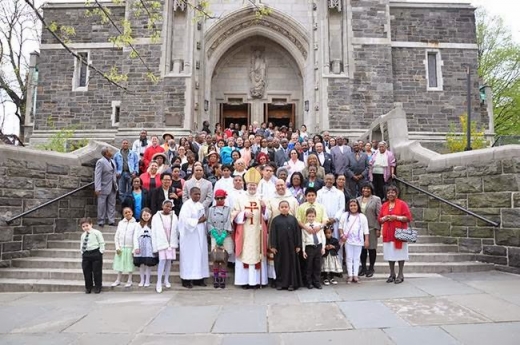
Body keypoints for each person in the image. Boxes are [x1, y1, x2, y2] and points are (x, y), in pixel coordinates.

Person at [232, 167, 269, 289]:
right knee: (245, 253)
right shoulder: (240, 198)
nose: (252, 187)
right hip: (245, 232)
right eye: (250, 185)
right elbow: (233, 214)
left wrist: (263, 208)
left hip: (258, 231)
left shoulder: (261, 198)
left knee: (257, 253)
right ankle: (245, 281)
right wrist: (243, 215)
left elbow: (268, 216)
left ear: (257, 186)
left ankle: (257, 281)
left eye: (254, 185)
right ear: (246, 185)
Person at [379, 185, 412, 284]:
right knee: (390, 254)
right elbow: (380, 218)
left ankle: (400, 274)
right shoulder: (384, 205)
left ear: (396, 194)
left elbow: (408, 218)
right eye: (388, 192)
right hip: (388, 233)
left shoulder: (402, 204)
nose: (390, 194)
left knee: (400, 254)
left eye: (393, 192)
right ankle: (392, 273)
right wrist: (384, 219)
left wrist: (396, 217)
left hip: (399, 233)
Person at [178, 187, 210, 288]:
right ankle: (186, 279)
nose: (198, 196)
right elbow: (185, 221)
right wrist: (199, 221)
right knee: (189, 258)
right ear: (190, 194)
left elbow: (203, 218)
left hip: (200, 235)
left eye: (199, 194)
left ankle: (199, 279)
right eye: (196, 194)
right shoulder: (186, 205)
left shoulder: (200, 205)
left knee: (200, 257)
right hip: (189, 236)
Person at [269, 200, 303, 291]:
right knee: (280, 265)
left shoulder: (293, 219)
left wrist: (298, 245)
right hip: (280, 248)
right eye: (282, 207)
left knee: (291, 265)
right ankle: (280, 283)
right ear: (279, 208)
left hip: (291, 247)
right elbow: (273, 234)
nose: (284, 208)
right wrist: (273, 246)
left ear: (289, 208)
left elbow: (297, 233)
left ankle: (292, 284)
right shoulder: (275, 220)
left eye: (286, 207)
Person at [207, 189, 234, 289]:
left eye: (221, 198)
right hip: (215, 235)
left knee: (224, 257)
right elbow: (209, 222)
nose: (219, 200)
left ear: (224, 198)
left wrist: (223, 234)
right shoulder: (211, 209)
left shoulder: (228, 209)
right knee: (215, 257)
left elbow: (228, 221)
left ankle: (223, 278)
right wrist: (214, 233)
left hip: (225, 235)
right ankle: (215, 277)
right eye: (217, 198)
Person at [151, 199, 179, 293]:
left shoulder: (174, 216)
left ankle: (166, 279)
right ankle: (158, 281)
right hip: (162, 242)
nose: (168, 208)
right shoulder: (156, 216)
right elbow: (154, 231)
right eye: (166, 206)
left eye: (170, 207)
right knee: (162, 261)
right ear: (162, 206)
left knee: (169, 261)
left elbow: (177, 229)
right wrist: (154, 246)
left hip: (171, 242)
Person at [339, 199, 369, 283]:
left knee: (356, 258)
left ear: (358, 206)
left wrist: (366, 240)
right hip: (348, 240)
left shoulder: (362, 216)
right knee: (349, 257)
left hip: (359, 241)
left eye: (355, 205)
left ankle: (355, 275)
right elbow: (340, 227)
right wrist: (342, 235)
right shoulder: (345, 215)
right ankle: (350, 275)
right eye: (351, 205)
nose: (353, 207)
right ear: (348, 206)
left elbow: (366, 230)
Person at [317, 174, 346, 262]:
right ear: (324, 180)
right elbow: (318, 207)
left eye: (331, 179)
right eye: (327, 179)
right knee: (324, 243)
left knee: (336, 242)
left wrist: (334, 219)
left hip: (336, 222)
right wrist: (325, 219)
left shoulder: (339, 193)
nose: (329, 181)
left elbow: (342, 208)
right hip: (324, 222)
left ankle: (338, 266)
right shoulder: (319, 193)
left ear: (334, 181)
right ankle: (325, 268)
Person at [356, 182, 382, 278]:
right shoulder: (357, 199)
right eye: (364, 188)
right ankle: (363, 267)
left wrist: (378, 228)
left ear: (371, 189)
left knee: (371, 249)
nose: (365, 190)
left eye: (368, 188)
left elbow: (379, 215)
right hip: (359, 229)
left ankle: (371, 267)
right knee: (362, 249)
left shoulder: (376, 199)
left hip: (371, 227)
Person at [111, 207, 137, 288]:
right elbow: (117, 236)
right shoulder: (121, 223)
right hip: (121, 247)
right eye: (125, 213)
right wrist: (117, 247)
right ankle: (118, 279)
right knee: (119, 264)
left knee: (130, 264)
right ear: (123, 214)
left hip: (130, 247)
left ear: (132, 212)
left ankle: (129, 280)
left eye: (129, 212)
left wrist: (134, 249)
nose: (128, 214)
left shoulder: (136, 224)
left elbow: (135, 237)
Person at [301, 208, 326, 289]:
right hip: (309, 247)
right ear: (306, 217)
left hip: (318, 246)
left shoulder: (319, 225)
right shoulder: (305, 227)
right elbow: (303, 240)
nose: (311, 218)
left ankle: (317, 282)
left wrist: (323, 247)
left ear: (315, 216)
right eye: (309, 216)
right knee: (309, 265)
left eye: (312, 216)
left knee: (317, 265)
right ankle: (309, 282)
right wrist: (304, 250)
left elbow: (322, 237)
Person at [133, 208, 157, 287]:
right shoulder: (138, 224)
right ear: (141, 215)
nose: (146, 217)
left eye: (147, 215)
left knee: (148, 264)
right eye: (144, 215)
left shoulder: (153, 224)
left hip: (149, 246)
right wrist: (136, 247)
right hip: (140, 246)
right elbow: (135, 236)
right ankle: (142, 279)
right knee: (141, 265)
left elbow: (155, 236)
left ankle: (147, 280)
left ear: (150, 215)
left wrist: (155, 248)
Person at [80, 217, 105, 294]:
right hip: (86, 253)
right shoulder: (83, 235)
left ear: (91, 224)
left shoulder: (96, 232)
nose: (85, 228)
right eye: (83, 226)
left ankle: (98, 286)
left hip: (95, 252)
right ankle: (88, 287)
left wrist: (101, 251)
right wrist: (82, 251)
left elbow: (101, 242)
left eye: (87, 225)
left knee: (96, 271)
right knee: (86, 271)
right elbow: (82, 243)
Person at [94, 147, 118, 227]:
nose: (112, 152)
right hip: (103, 186)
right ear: (106, 153)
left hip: (112, 186)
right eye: (110, 150)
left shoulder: (113, 161)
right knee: (101, 204)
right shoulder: (100, 162)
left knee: (111, 204)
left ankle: (111, 220)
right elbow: (97, 175)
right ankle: (101, 220)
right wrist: (97, 188)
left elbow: (113, 173)